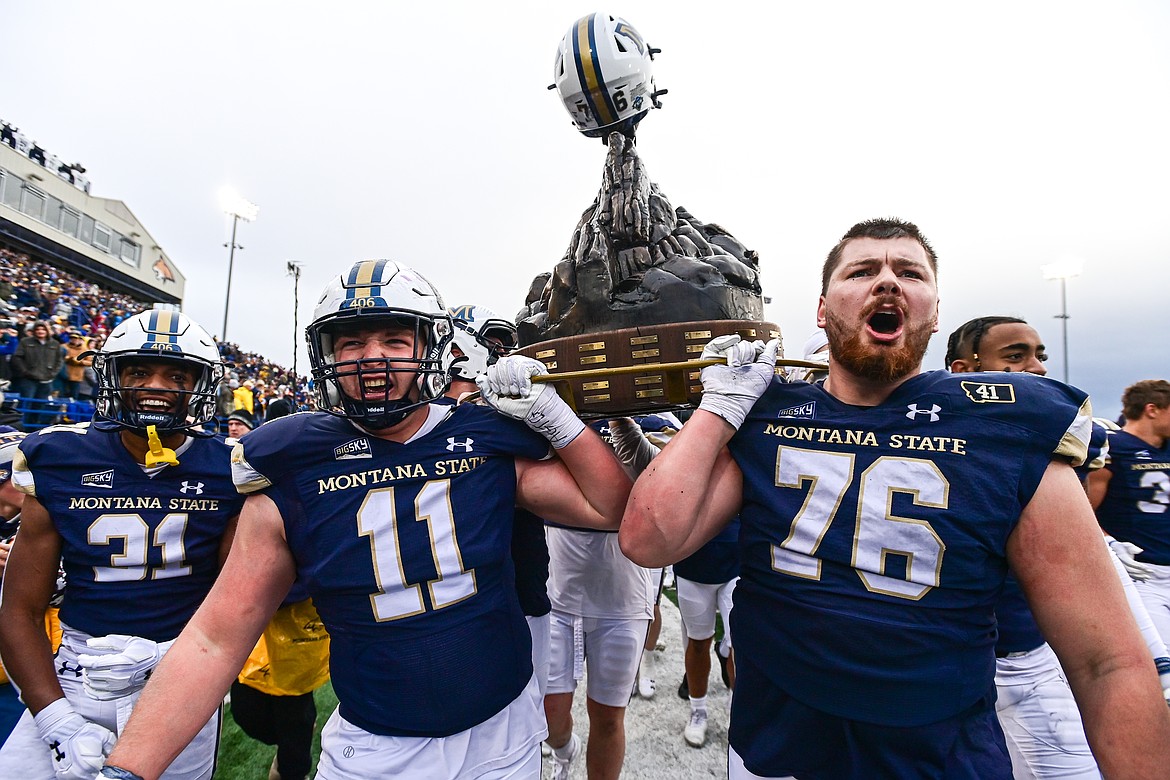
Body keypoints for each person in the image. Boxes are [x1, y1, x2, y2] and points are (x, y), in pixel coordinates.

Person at [619, 218, 1170, 779]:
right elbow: (648, 540)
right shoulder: (769, 414)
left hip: (932, 753)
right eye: (862, 271)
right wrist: (722, 407)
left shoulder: (1008, 424)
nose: (887, 282)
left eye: (910, 272)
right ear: (821, 308)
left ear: (934, 310)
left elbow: (1106, 662)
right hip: (775, 738)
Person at [98, 260, 632, 780]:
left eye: (395, 340)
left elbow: (609, 507)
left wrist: (558, 420)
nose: (372, 358)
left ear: (432, 348)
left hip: (502, 728)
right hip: (377, 745)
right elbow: (215, 639)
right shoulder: (291, 461)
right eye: (351, 341)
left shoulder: (483, 437)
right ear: (325, 354)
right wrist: (127, 770)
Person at [0, 309, 243, 780]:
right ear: (113, 376)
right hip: (76, 672)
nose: (156, 384)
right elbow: (20, 610)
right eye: (138, 371)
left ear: (202, 388)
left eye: (176, 375)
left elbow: (235, 602)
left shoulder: (230, 469)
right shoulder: (57, 456)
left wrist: (182, 661)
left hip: (178, 674)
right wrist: (57, 721)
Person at [946, 315, 1170, 778]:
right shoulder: (923, 439)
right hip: (949, 670)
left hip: (1030, 661)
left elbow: (1088, 557)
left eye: (1040, 355)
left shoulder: (1058, 444)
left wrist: (1156, 659)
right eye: (1016, 356)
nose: (1038, 368)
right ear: (964, 371)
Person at [1089, 380, 1170, 651]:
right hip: (1142, 573)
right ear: (1152, 409)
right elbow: (1083, 513)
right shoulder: (1114, 449)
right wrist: (1110, 543)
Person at [11, 320, 64, 427]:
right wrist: (25, 372)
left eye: (43, 329)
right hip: (29, 379)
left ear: (47, 331)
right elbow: (17, 358)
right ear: (34, 331)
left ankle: (33, 429)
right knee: (25, 405)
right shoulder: (25, 342)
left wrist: (53, 373)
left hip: (47, 380)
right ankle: (19, 427)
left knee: (39, 406)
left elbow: (59, 361)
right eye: (38, 329)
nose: (40, 331)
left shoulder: (55, 344)